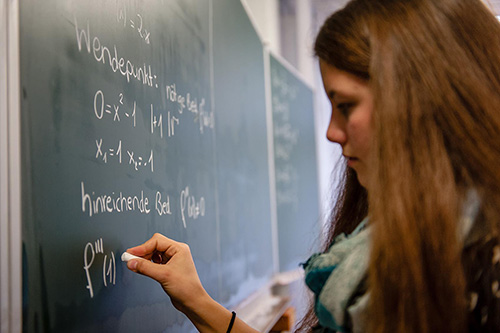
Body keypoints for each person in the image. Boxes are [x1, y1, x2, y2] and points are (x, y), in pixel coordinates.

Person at [125, 0, 500, 331]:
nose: (331, 133)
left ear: (419, 100)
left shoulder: (485, 262)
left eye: (347, 106)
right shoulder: (390, 238)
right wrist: (198, 302)